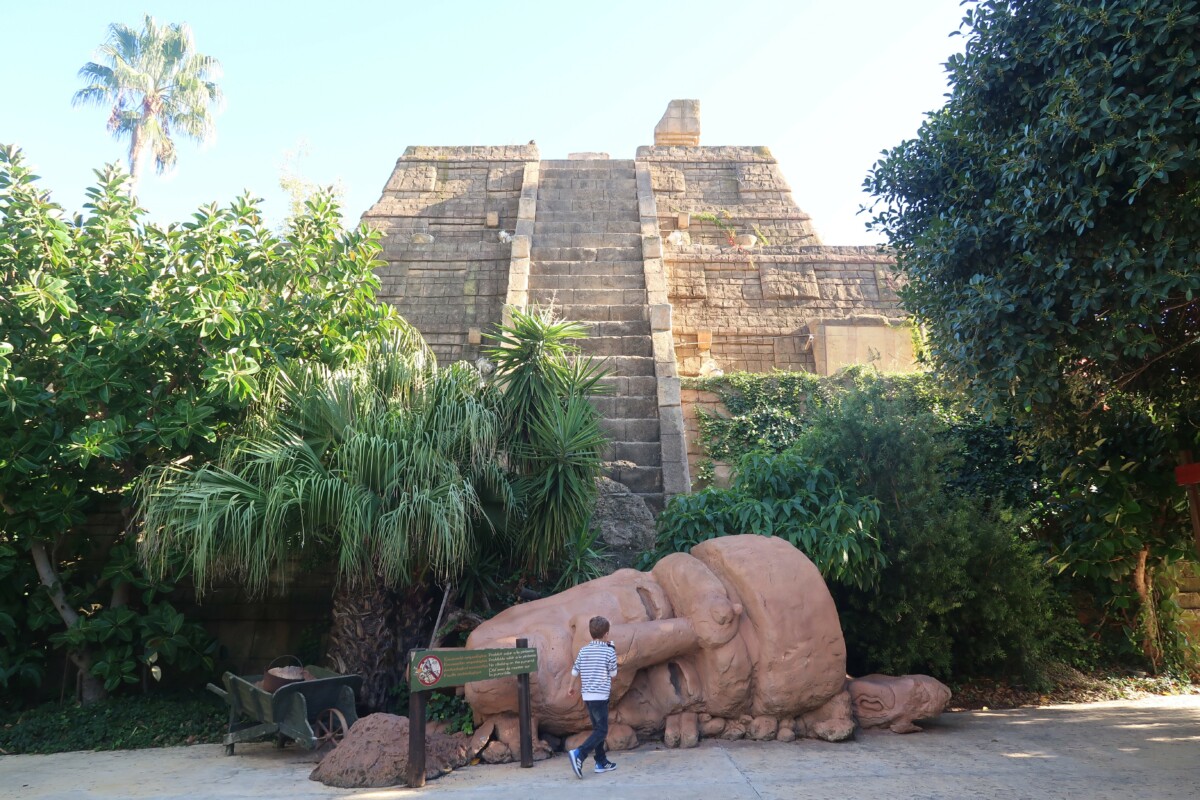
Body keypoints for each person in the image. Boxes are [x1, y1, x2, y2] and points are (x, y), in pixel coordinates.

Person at [566, 615, 618, 777]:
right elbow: (614, 674)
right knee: (601, 731)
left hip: (587, 696)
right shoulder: (608, 651)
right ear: (606, 634)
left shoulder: (584, 650)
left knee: (597, 729)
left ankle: (601, 761)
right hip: (600, 696)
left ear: (591, 633)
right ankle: (579, 754)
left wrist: (570, 686)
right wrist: (612, 652)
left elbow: (575, 670)